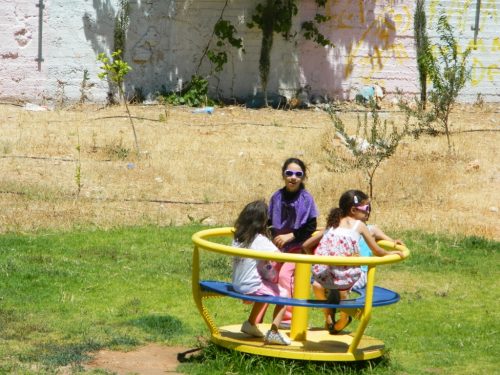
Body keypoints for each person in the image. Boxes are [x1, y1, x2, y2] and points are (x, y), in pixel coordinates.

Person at [308, 190, 404, 334]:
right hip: (338, 271)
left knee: (341, 289)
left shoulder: (368, 228)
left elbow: (384, 241)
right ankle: (329, 316)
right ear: (353, 210)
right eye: (366, 209)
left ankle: (342, 319)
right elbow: (378, 251)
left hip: (356, 271)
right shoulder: (337, 225)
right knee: (319, 286)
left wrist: (393, 243)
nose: (369, 212)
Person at [266, 157, 318, 326]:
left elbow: (311, 226)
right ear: (283, 175)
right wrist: (273, 237)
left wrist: (291, 235)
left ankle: (289, 318)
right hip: (278, 248)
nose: (293, 177)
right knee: (268, 275)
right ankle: (256, 320)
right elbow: (269, 222)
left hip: (298, 248)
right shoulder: (277, 197)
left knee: (285, 276)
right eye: (289, 173)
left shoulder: (306, 199)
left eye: (298, 174)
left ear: (303, 177)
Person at [232, 200, 291, 346]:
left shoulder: (238, 237)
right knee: (284, 295)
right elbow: (279, 256)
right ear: (263, 221)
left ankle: (251, 323)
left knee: (269, 288)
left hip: (238, 283)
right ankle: (274, 332)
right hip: (251, 286)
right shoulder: (260, 240)